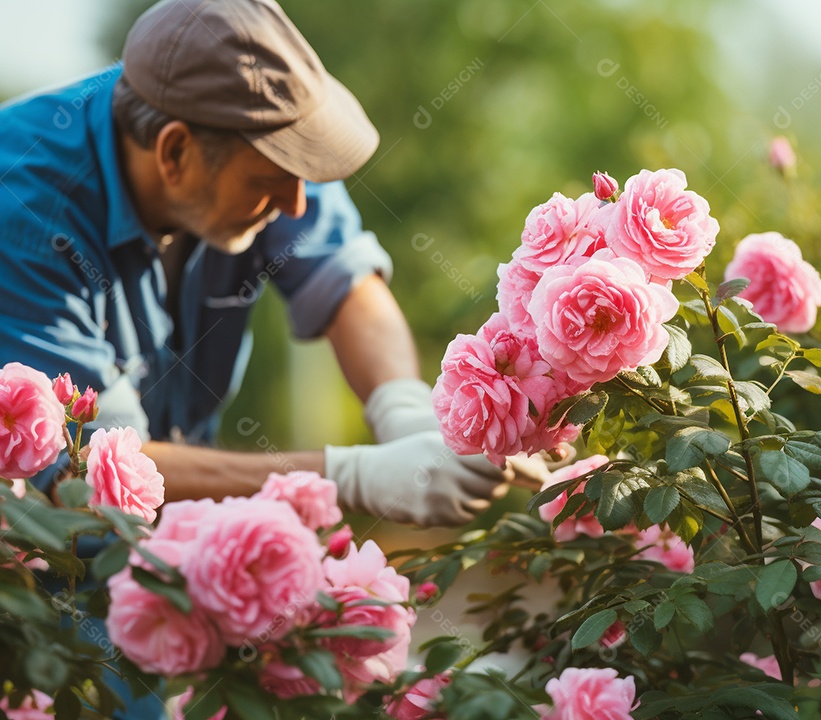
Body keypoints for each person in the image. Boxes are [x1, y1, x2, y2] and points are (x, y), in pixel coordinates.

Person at [0, 0, 512, 527]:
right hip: (40, 568)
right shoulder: (22, 214)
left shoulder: (262, 144)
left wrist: (404, 411)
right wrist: (351, 475)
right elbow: (88, 472)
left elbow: (346, 281)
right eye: (271, 182)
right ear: (175, 153)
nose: (297, 203)